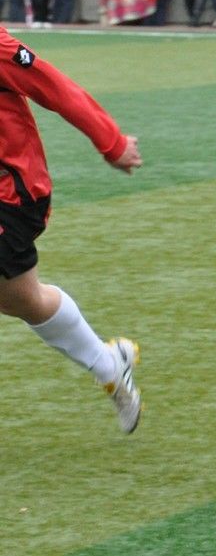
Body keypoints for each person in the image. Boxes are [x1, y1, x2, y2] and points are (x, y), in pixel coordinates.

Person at [0, 27, 143, 433]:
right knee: (23, 300)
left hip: (12, 194)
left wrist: (112, 143)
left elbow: (55, 87)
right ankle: (108, 363)